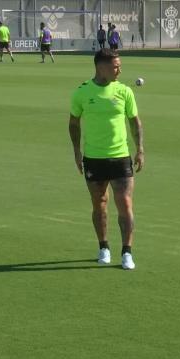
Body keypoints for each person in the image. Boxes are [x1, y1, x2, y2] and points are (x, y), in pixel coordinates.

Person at [68, 48, 144, 270]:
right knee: (99, 203)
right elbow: (74, 123)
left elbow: (134, 121)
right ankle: (104, 247)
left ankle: (127, 252)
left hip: (120, 156)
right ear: (101, 67)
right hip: (93, 158)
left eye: (119, 65)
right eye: (115, 66)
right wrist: (75, 151)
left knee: (125, 203)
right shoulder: (82, 92)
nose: (119, 69)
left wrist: (140, 149)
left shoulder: (124, 91)